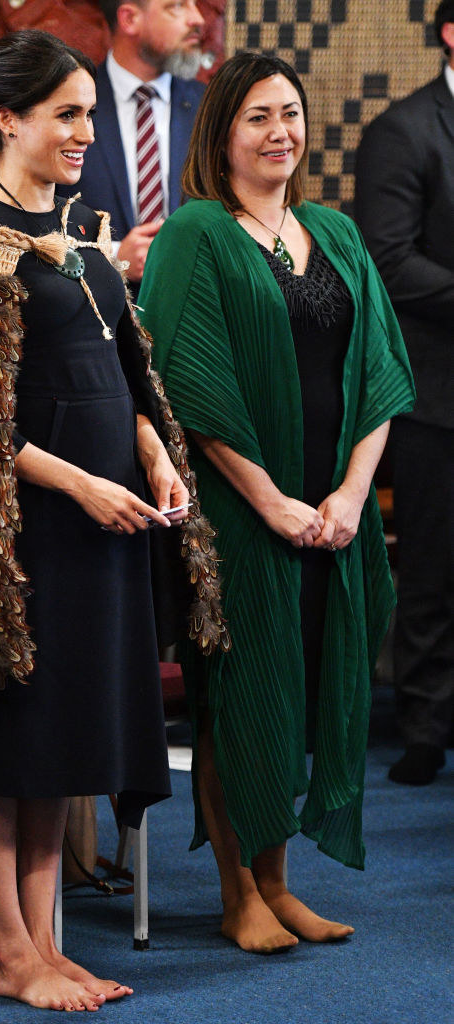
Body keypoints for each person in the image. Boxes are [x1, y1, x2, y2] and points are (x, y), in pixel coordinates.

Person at [0, 29, 227, 1010]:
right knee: (10, 742)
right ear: (8, 119)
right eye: (67, 114)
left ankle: (44, 940)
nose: (87, 131)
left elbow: (122, 379)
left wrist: (151, 452)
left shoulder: (86, 236)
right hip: (15, 540)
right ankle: (8, 948)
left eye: (90, 112)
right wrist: (76, 483)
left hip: (102, 530)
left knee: (64, 742)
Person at [138, 52, 416, 954]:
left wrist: (347, 495)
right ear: (221, 132)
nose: (278, 133)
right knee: (241, 695)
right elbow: (183, 383)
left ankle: (278, 880)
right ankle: (235, 891)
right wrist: (271, 502)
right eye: (257, 116)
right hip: (240, 514)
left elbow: (380, 373)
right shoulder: (196, 234)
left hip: (333, 515)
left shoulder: (332, 233)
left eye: (289, 114)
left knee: (303, 693)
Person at [354, 0, 454, 786]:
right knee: (431, 567)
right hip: (437, 395)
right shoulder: (404, 129)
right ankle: (422, 725)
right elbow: (388, 261)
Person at [61, 0, 205, 286]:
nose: (197, 19)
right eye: (176, 6)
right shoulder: (68, 105)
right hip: (98, 312)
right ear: (129, 19)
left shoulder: (211, 106)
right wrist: (113, 256)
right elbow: (40, 221)